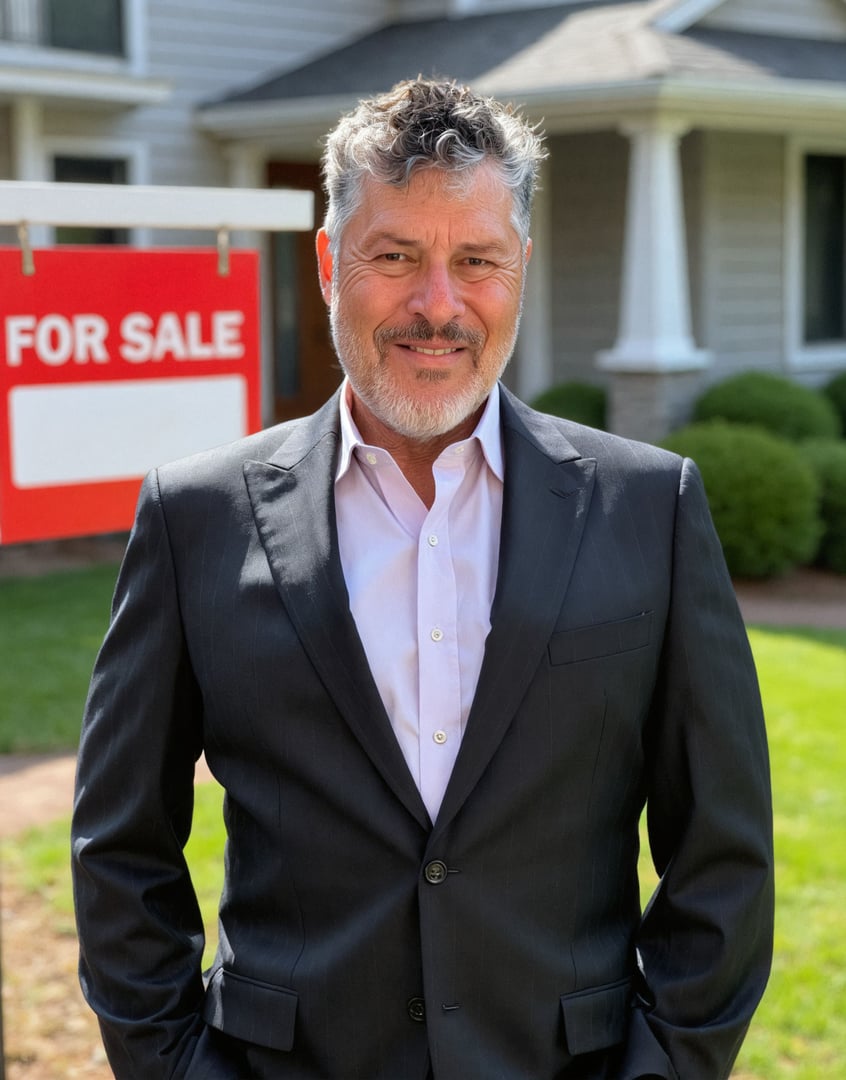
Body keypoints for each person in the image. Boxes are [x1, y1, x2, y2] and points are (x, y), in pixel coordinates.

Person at [72, 78, 773, 1080]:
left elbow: (724, 858)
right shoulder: (195, 520)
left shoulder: (649, 510)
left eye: (476, 261)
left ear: (520, 268)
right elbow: (121, 847)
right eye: (395, 256)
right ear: (328, 262)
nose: (436, 305)